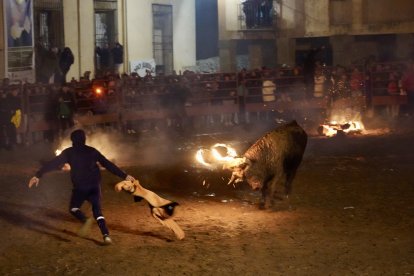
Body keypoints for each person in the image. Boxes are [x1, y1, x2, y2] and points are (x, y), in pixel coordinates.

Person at [28, 129, 136, 245]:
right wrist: (124, 175)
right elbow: (108, 164)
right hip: (94, 185)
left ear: (72, 141)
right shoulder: (92, 151)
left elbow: (53, 164)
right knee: (97, 211)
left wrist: (38, 175)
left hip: (80, 187)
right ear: (84, 139)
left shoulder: (69, 152)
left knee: (74, 208)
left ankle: (85, 220)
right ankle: (106, 236)